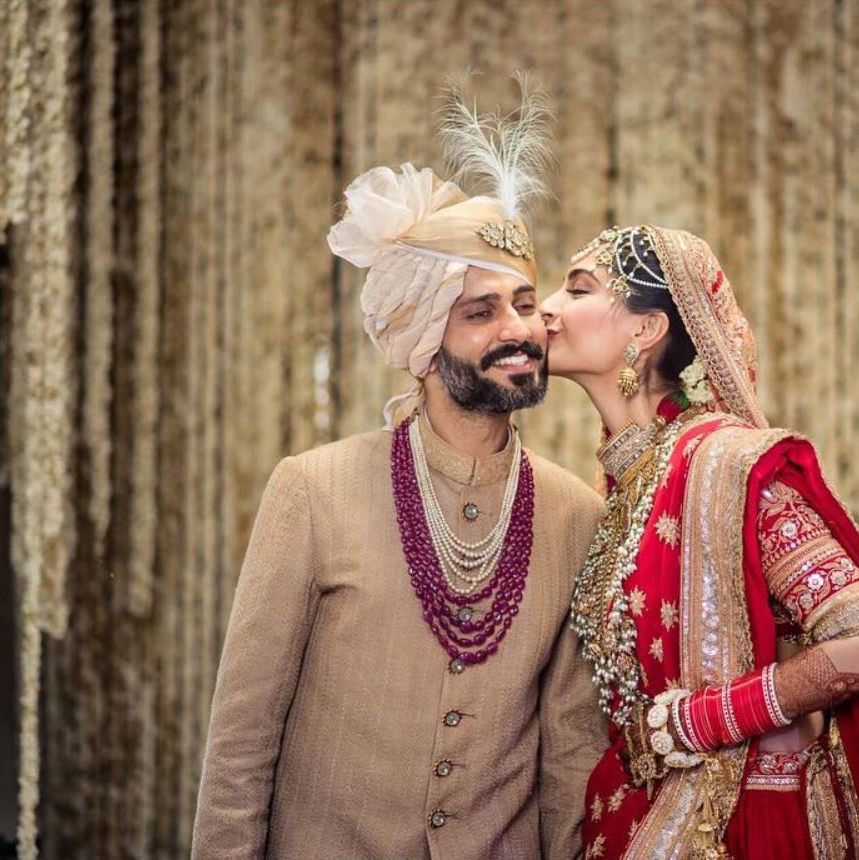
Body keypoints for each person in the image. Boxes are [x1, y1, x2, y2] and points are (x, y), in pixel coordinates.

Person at [192, 79, 607, 860]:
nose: (519, 329)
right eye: (480, 312)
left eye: (524, 303)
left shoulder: (575, 515)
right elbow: (242, 739)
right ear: (420, 344)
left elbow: (572, 751)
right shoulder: (313, 491)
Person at [538, 225, 859, 859]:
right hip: (639, 821)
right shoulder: (624, 489)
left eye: (578, 288)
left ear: (645, 329)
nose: (546, 305)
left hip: (742, 827)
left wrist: (702, 720)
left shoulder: (726, 466)